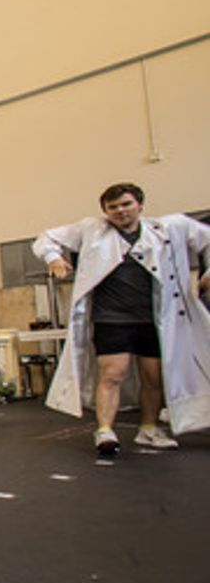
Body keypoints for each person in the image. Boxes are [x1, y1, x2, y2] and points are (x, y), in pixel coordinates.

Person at [33, 182, 210, 456]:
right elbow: (46, 237)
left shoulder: (168, 228)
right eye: (113, 207)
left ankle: (149, 428)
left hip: (153, 318)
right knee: (113, 373)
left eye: (126, 204)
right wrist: (53, 257)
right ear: (105, 211)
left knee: (152, 377)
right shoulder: (92, 229)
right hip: (111, 318)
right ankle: (104, 430)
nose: (120, 211)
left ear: (139, 205)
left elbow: (207, 239)